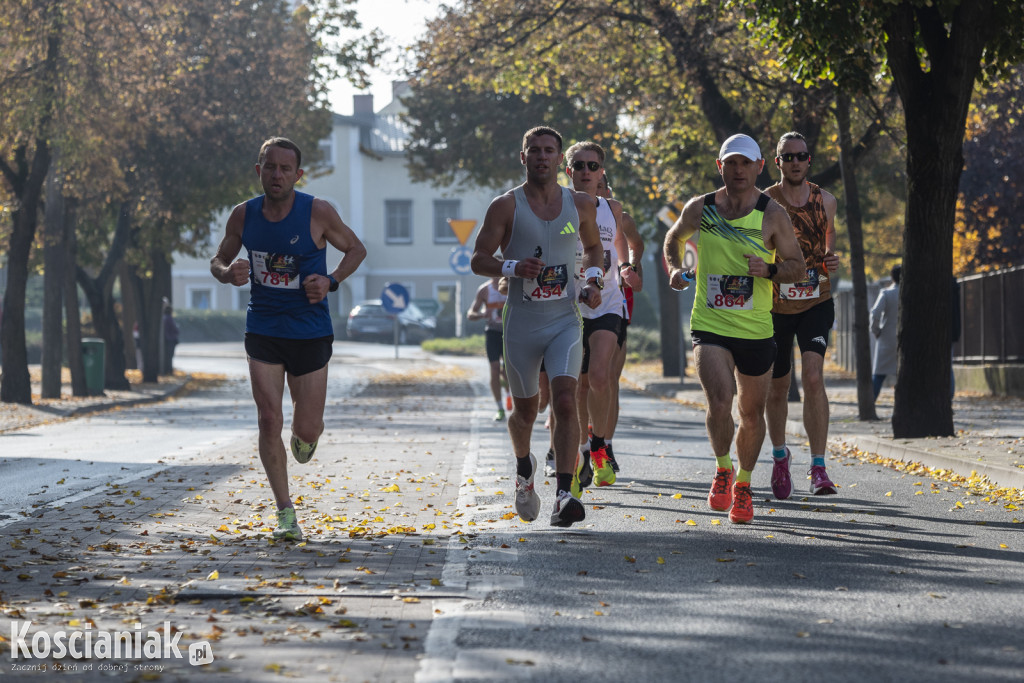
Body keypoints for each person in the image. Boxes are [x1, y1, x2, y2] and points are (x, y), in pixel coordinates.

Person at [210, 136, 367, 541]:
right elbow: (219, 259)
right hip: (263, 328)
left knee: (308, 428)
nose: (276, 174)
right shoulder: (243, 216)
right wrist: (227, 273)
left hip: (310, 331)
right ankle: (285, 512)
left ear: (298, 175)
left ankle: (305, 437)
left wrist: (330, 281)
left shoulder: (317, 211)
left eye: (285, 168)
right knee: (268, 419)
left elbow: (356, 250)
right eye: (269, 166)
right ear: (258, 170)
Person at [663, 133, 804, 524]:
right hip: (710, 324)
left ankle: (743, 484)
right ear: (720, 166)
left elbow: (798, 265)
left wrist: (771, 270)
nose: (738, 170)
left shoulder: (772, 214)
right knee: (720, 402)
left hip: (757, 329)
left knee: (751, 412)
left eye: (746, 163)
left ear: (760, 167)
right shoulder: (702, 207)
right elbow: (674, 237)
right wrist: (675, 268)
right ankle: (723, 469)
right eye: (731, 162)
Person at [470, 125, 604, 528]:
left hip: (565, 317)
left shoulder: (579, 203)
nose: (542, 157)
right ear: (523, 156)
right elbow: (478, 259)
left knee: (566, 399)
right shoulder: (505, 206)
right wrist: (512, 266)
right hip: (521, 323)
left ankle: (565, 494)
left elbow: (595, 247)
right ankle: (524, 467)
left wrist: (593, 279)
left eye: (549, 151)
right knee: (526, 410)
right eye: (535, 150)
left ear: (559, 159)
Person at [763, 132, 841, 498]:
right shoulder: (764, 202)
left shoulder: (826, 200)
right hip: (775, 306)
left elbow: (829, 239)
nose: (795, 161)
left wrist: (831, 257)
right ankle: (780, 458)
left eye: (801, 155)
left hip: (815, 301)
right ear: (777, 162)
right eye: (787, 156)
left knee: (813, 377)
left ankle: (819, 466)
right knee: (777, 387)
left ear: (809, 160)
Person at [565, 143, 644, 490]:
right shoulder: (556, 206)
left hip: (609, 303)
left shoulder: (613, 207)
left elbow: (621, 244)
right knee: (578, 386)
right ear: (568, 170)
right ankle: (581, 450)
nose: (586, 171)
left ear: (601, 171)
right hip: (569, 306)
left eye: (592, 165)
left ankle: (599, 447)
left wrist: (626, 267)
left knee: (600, 377)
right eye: (579, 165)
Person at [599, 173, 643, 473]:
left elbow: (636, 242)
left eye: (602, 187)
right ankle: (568, 443)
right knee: (580, 381)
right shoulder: (566, 210)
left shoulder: (619, 216)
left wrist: (630, 266)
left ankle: (606, 444)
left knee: (610, 379)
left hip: (616, 304)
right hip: (576, 303)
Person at [467, 276, 508, 420]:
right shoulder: (484, 290)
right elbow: (470, 314)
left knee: (508, 371)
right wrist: (482, 314)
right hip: (492, 333)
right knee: (495, 369)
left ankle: (509, 394)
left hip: (511, 333)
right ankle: (500, 408)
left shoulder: (511, 286)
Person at [870, 264, 901, 401]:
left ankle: (871, 402)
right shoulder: (911, 294)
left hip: (887, 337)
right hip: (905, 338)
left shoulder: (886, 293)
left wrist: (876, 330)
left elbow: (875, 313)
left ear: (892, 277)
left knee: (879, 374)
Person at [162, 304, 180, 375]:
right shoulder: (169, 318)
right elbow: (174, 329)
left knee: (168, 355)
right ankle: (169, 370)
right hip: (170, 339)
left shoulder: (164, 318)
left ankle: (167, 369)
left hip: (166, 339)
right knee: (170, 355)